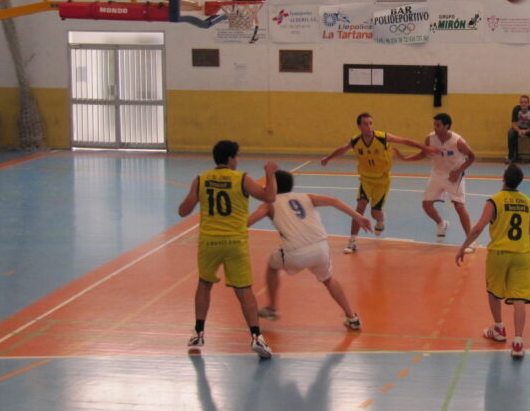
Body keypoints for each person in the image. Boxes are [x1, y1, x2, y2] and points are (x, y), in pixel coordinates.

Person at [177, 140, 278, 359]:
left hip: (209, 242)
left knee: (204, 284)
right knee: (244, 290)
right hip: (234, 242)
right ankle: (256, 337)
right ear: (231, 158)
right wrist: (270, 173)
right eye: (237, 156)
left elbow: (183, 211)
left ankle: (198, 333)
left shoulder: (201, 179)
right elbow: (270, 196)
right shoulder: (242, 178)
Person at [247, 170, 370, 330]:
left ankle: (271, 308)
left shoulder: (269, 204)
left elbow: (247, 222)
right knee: (329, 280)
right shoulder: (306, 197)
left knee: (272, 265)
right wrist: (358, 217)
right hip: (321, 248)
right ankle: (351, 317)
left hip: (295, 252)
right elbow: (334, 201)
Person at [321, 112, 436, 254]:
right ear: (359, 126)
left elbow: (405, 141)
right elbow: (342, 150)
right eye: (365, 124)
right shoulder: (356, 141)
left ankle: (380, 219)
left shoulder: (382, 137)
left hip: (382, 180)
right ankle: (352, 242)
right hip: (366, 179)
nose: (369, 126)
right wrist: (328, 157)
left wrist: (425, 148)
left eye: (370, 123)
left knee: (375, 213)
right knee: (359, 208)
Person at [456, 164, 530, 358]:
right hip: (522, 253)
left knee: (493, 291)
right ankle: (518, 342)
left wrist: (463, 246)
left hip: (499, 253)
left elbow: (478, 228)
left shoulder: (494, 201)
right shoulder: (529, 203)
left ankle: (499, 328)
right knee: (519, 298)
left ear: (503, 179)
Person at [393, 113, 477, 250]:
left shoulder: (458, 141)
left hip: (454, 175)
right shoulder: (430, 138)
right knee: (426, 205)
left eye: (438, 125)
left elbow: (472, 157)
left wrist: (458, 171)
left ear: (446, 126)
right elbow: (423, 154)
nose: (435, 128)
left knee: (459, 207)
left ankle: (470, 241)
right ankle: (441, 223)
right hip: (437, 174)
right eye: (434, 125)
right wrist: (406, 158)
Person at [507, 96, 530, 164]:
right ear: (519, 103)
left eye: (525, 102)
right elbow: (513, 124)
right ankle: (511, 157)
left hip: (529, 130)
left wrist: (526, 131)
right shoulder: (516, 109)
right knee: (511, 133)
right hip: (519, 129)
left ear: (528, 103)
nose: (523, 104)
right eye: (521, 102)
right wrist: (519, 130)